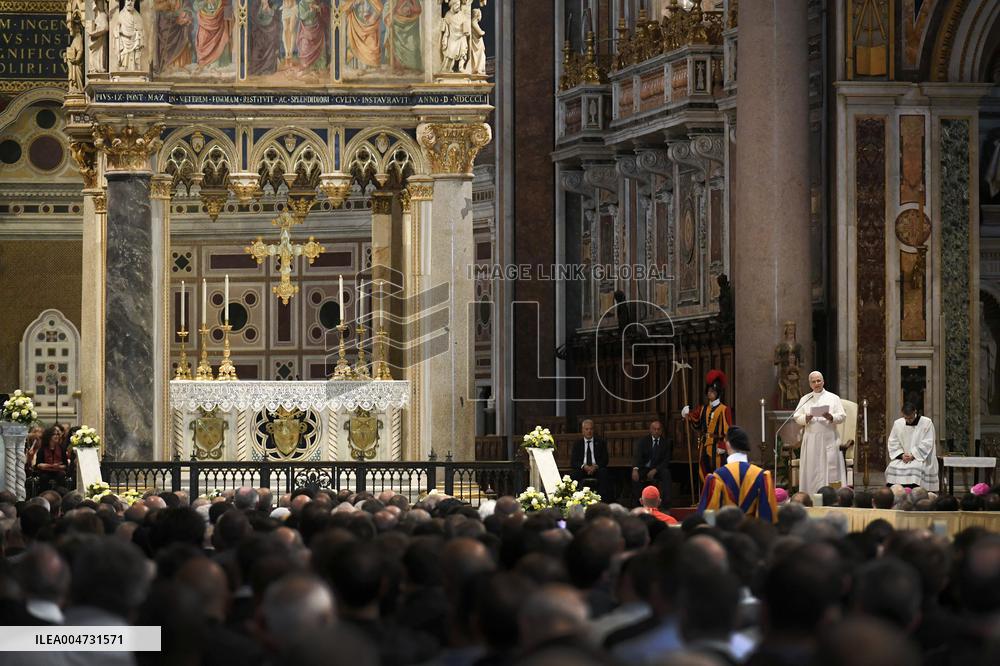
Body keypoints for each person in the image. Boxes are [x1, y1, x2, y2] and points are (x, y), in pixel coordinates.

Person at [697, 426, 778, 523]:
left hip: (726, 534)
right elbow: (766, 514)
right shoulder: (762, 476)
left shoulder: (717, 477)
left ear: (728, 444)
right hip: (751, 534)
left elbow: (708, 516)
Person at [792, 371, 847, 493]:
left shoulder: (833, 398)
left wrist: (831, 417)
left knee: (830, 468)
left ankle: (832, 496)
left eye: (819, 381)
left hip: (829, 438)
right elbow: (796, 417)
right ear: (810, 384)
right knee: (812, 468)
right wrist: (806, 418)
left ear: (823, 382)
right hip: (811, 438)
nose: (816, 384)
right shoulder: (805, 399)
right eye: (813, 382)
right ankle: (810, 494)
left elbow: (842, 416)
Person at [682, 369, 733, 483]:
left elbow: (728, 430)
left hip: (717, 446)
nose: (710, 393)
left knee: (718, 472)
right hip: (705, 445)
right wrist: (687, 414)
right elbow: (696, 420)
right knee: (704, 472)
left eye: (713, 391)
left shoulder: (724, 409)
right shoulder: (703, 408)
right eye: (709, 391)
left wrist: (723, 445)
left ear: (718, 392)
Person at [884, 402, 939, 491]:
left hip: (920, 458)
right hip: (903, 458)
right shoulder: (898, 423)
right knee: (891, 468)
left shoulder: (926, 423)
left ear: (915, 412)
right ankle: (896, 494)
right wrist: (901, 455)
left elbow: (927, 443)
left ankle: (916, 494)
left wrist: (913, 455)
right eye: (906, 418)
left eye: (910, 418)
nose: (908, 420)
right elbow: (893, 442)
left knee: (915, 469)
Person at [632, 420, 672, 506]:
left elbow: (666, 460)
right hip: (645, 467)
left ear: (661, 431)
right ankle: (638, 503)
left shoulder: (666, 443)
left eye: (658, 429)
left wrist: (655, 470)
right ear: (650, 430)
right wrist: (635, 469)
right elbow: (637, 457)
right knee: (636, 475)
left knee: (666, 473)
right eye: (654, 429)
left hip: (658, 469)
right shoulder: (643, 441)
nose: (656, 431)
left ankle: (665, 502)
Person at [570, 419, 611, 501]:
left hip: (596, 469)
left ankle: (603, 500)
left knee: (604, 473)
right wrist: (584, 466)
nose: (589, 431)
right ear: (582, 430)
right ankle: (575, 499)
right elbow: (573, 462)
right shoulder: (577, 444)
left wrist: (595, 466)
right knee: (574, 474)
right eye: (586, 429)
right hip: (582, 469)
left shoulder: (601, 442)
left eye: (591, 429)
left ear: (594, 430)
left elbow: (605, 460)